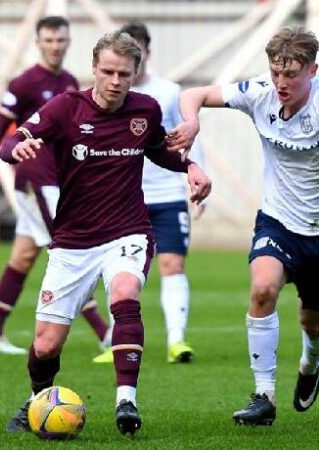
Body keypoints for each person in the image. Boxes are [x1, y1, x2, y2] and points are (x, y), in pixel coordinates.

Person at [1, 31, 211, 435]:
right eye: (109, 72)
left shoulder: (145, 110)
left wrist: (192, 168)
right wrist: (18, 150)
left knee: (125, 292)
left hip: (127, 230)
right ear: (94, 68)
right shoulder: (65, 108)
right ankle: (38, 400)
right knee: (45, 345)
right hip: (74, 240)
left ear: (136, 73)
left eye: (125, 74)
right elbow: (14, 142)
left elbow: (158, 150)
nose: (116, 81)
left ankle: (126, 403)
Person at [167, 26, 319, 426]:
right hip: (279, 220)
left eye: (291, 74)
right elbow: (192, 94)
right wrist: (192, 123)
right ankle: (264, 396)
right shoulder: (259, 91)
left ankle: (311, 363)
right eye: (276, 72)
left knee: (312, 320)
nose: (281, 82)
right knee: (262, 288)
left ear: (312, 70)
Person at [0, 16, 110, 355]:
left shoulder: (71, 81)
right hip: (36, 182)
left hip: (57, 180)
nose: (55, 46)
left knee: (22, 257)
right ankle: (106, 335)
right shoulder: (24, 84)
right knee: (68, 251)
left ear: (68, 42)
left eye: (61, 40)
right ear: (38, 42)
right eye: (49, 40)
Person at [93, 21, 207, 365]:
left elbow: (188, 136)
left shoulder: (169, 92)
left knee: (173, 264)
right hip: (124, 199)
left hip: (168, 193)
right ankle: (116, 342)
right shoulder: (102, 95)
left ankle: (177, 340)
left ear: (144, 56)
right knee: (118, 272)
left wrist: (195, 177)